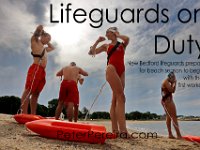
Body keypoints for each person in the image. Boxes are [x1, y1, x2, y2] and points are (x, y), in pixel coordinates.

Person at [88, 27, 129, 137]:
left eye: (108, 32)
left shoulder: (122, 44)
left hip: (122, 71)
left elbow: (127, 39)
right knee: (121, 97)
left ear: (114, 33)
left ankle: (115, 130)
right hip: (111, 69)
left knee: (115, 99)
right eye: (106, 32)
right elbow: (91, 52)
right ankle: (123, 131)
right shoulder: (106, 45)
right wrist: (97, 41)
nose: (106, 33)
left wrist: (118, 34)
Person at [21, 25, 55, 114]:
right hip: (35, 68)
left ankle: (32, 114)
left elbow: (52, 48)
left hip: (42, 71)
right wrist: (40, 30)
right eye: (48, 39)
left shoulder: (44, 48)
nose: (49, 41)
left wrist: (47, 40)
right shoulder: (35, 41)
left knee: (36, 93)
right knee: (28, 90)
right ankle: (23, 113)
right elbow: (36, 33)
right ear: (42, 37)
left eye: (49, 40)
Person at [161, 72, 182, 139]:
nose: (175, 79)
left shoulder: (168, 82)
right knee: (174, 117)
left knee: (169, 117)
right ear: (171, 77)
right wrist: (174, 83)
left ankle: (170, 134)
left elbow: (173, 91)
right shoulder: (166, 82)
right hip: (168, 101)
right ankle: (178, 135)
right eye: (174, 78)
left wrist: (173, 83)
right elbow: (171, 90)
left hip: (165, 101)